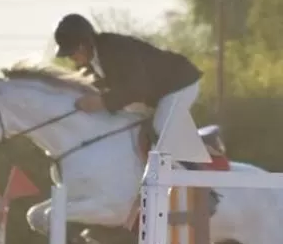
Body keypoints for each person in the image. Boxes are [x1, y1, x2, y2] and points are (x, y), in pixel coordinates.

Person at [53, 13, 210, 162]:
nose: (71, 58)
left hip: (179, 84)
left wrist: (102, 102)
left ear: (84, 44)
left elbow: (137, 88)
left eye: (72, 52)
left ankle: (193, 176)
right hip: (155, 95)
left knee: (160, 127)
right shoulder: (90, 63)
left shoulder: (115, 48)